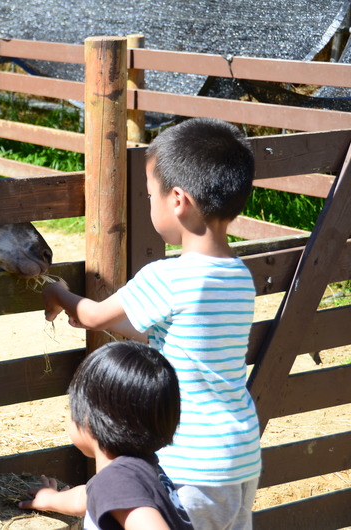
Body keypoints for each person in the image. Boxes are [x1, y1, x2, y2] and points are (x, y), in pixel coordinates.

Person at [41, 117, 261, 529]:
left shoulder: (169, 276)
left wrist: (59, 293)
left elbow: (92, 314)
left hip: (188, 459)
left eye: (148, 195)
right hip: (240, 455)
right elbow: (179, 336)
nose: (148, 203)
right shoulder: (238, 275)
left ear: (177, 200)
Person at [19, 340, 193, 530]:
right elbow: (84, 498)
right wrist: (51, 499)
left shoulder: (116, 482)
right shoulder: (139, 471)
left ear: (87, 421)